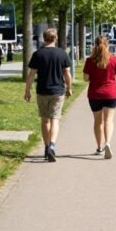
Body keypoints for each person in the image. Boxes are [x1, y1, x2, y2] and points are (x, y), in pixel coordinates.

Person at [24, 28, 73, 162]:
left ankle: (46, 147)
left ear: (43, 39)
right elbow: (67, 74)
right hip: (58, 91)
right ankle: (52, 145)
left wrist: (27, 90)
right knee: (55, 119)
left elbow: (31, 74)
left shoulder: (38, 54)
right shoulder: (62, 54)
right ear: (55, 38)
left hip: (42, 90)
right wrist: (69, 87)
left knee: (45, 120)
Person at [83, 35, 116, 159]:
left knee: (97, 121)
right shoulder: (113, 59)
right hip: (110, 94)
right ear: (108, 45)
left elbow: (85, 78)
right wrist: (112, 76)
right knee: (108, 120)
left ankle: (99, 147)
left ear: (95, 45)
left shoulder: (90, 60)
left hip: (94, 94)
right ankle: (108, 143)